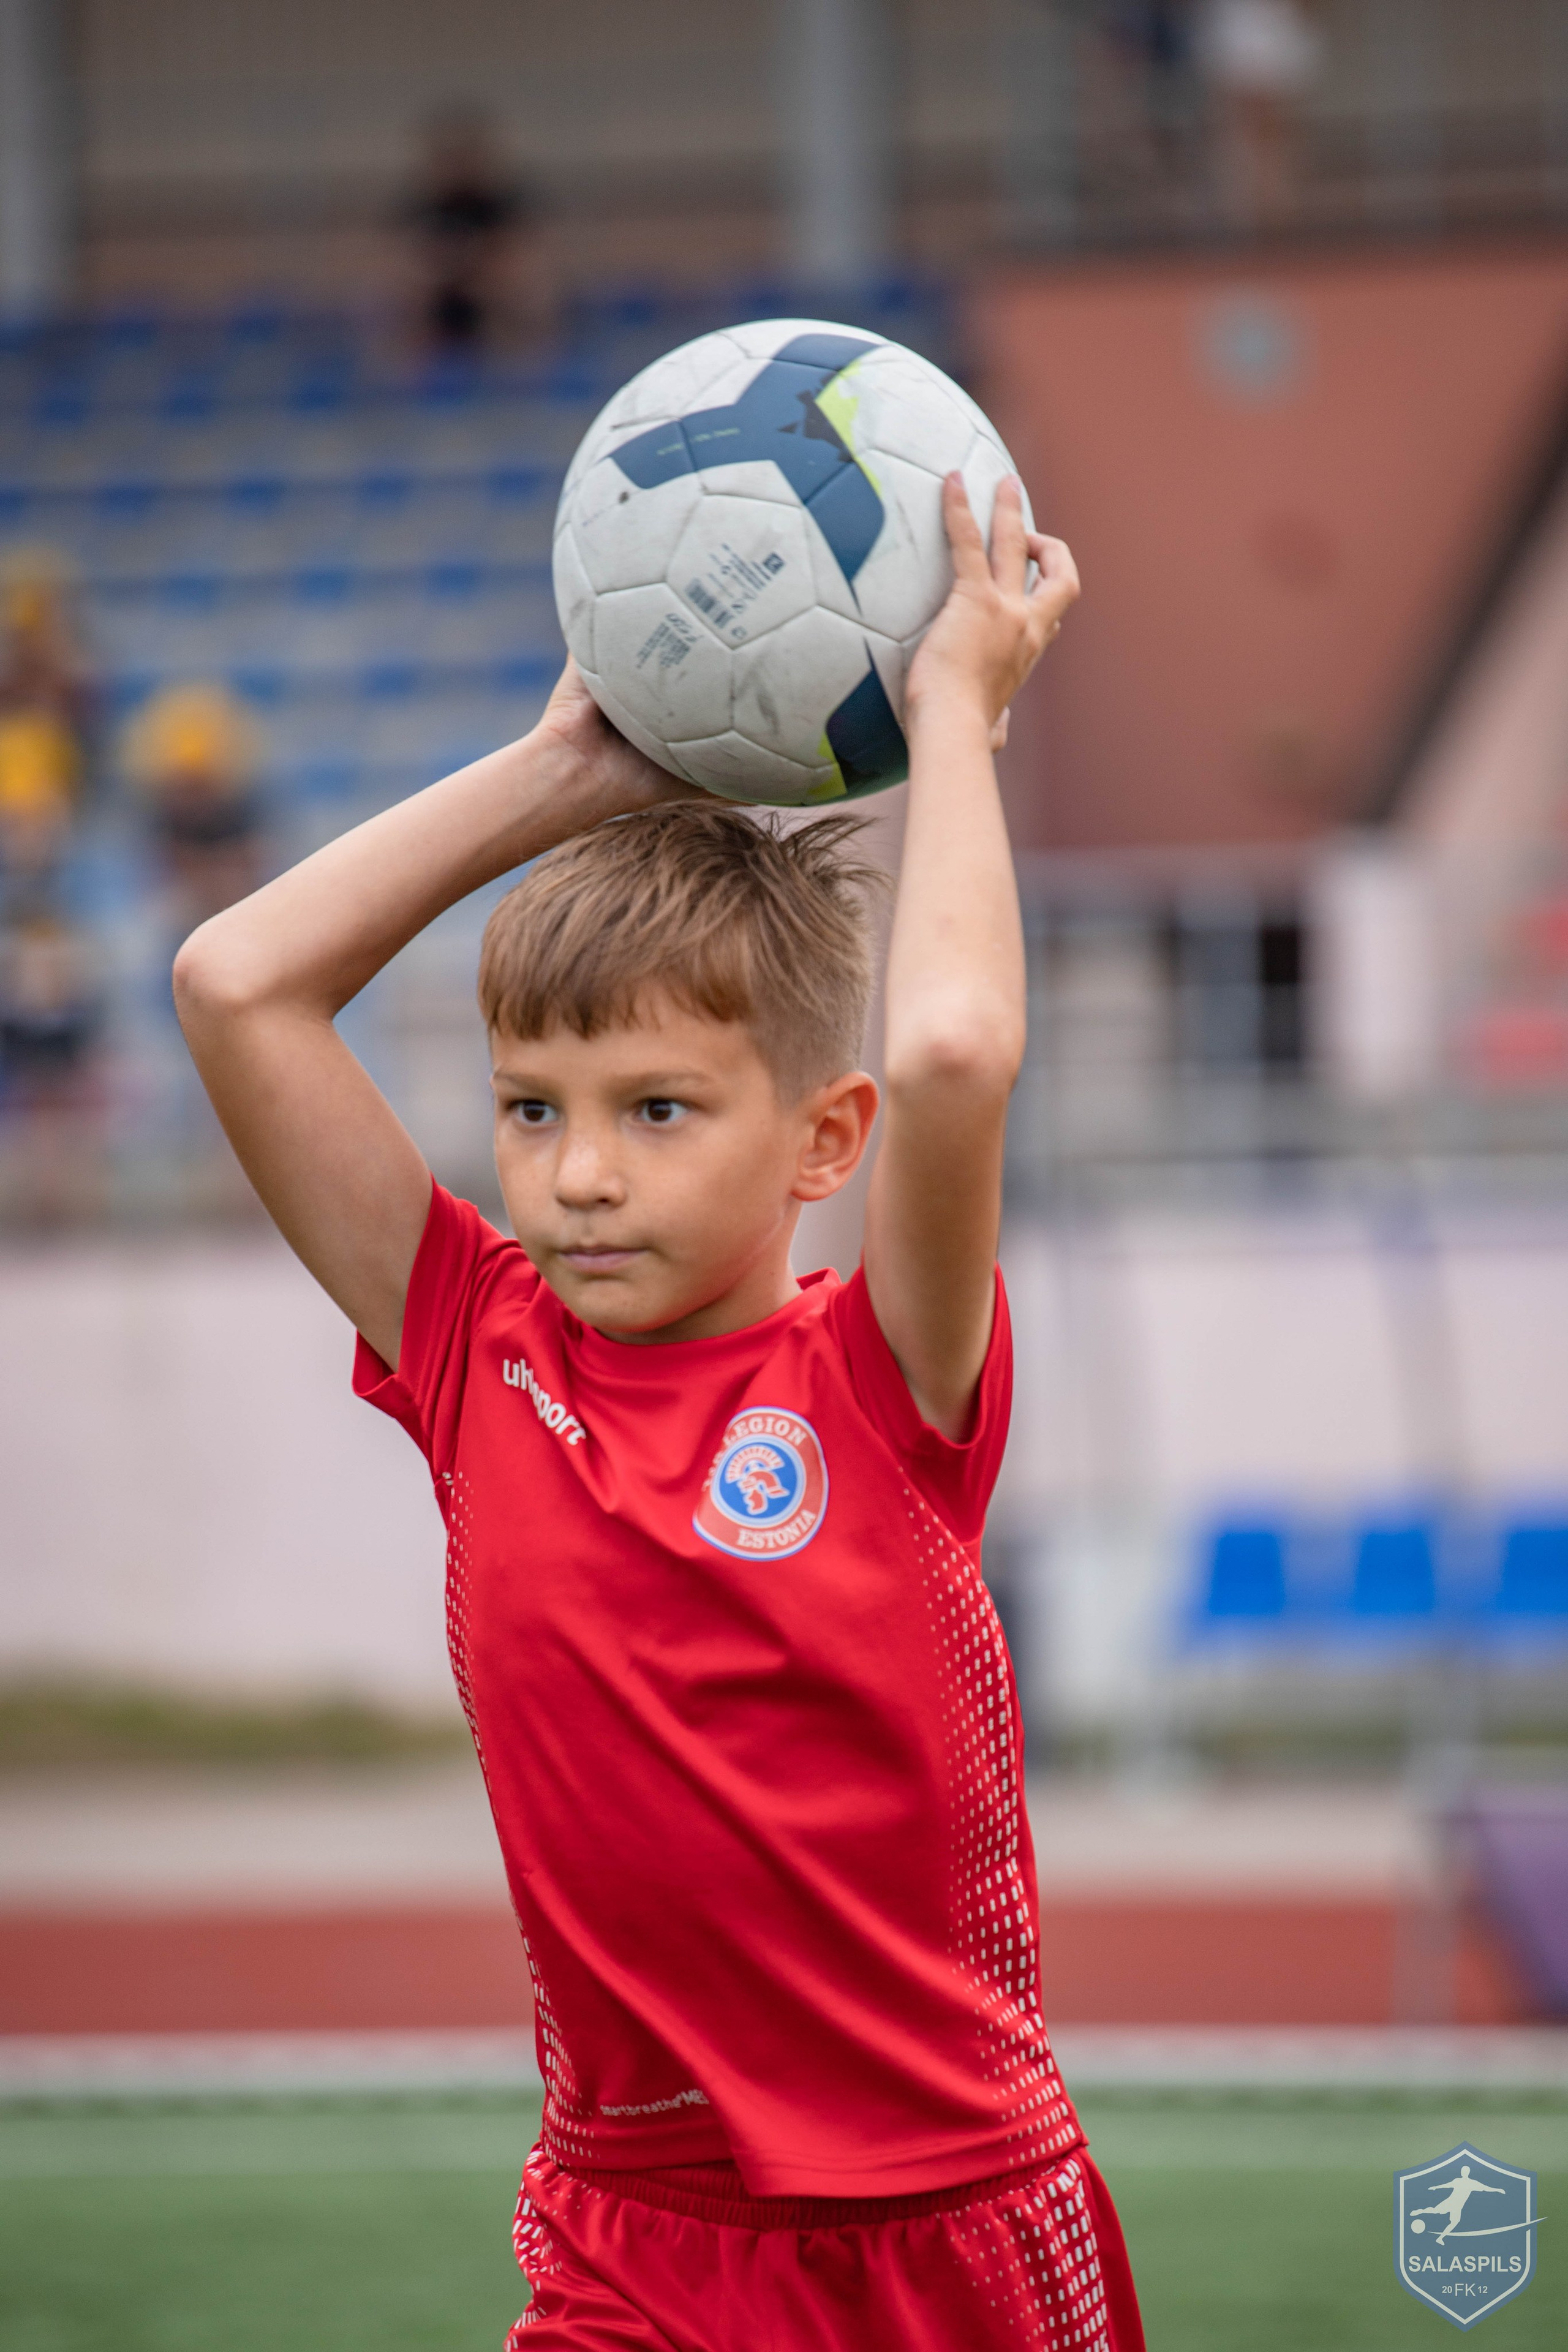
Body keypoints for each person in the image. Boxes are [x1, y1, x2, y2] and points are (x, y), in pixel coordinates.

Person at [175, 478, 1142, 2350]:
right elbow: (236, 983)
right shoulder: (474, 1339)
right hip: (630, 2233)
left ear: (822, 1144)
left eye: (659, 1109)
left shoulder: (880, 1379)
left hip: (944, 2220)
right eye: (533, 1107)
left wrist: (954, 713)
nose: (580, 1173)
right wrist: (568, 772)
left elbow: (947, 1046)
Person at [121, 681, 266, 929]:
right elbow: (158, 872)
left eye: (199, 784)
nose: (192, 796)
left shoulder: (239, 813)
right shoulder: (162, 817)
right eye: (185, 784)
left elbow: (251, 866)